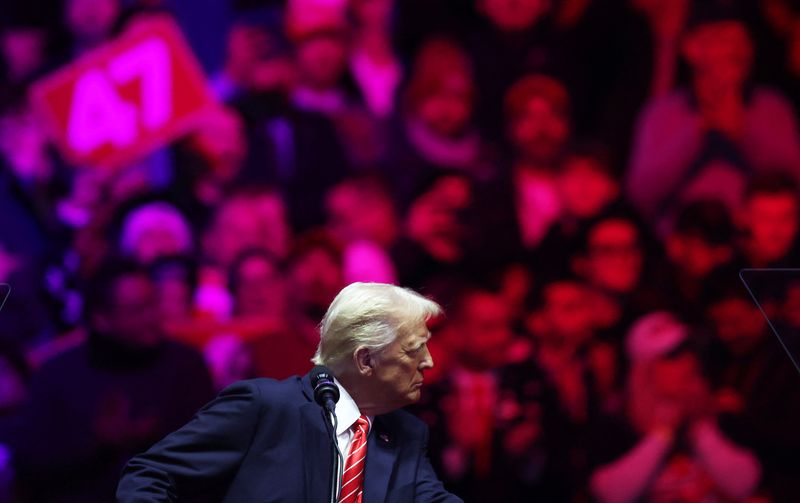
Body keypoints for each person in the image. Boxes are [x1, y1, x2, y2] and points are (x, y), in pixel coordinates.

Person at [117, 282, 463, 502]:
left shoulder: (404, 433)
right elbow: (149, 475)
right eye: (413, 349)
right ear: (366, 359)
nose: (428, 362)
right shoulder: (265, 407)